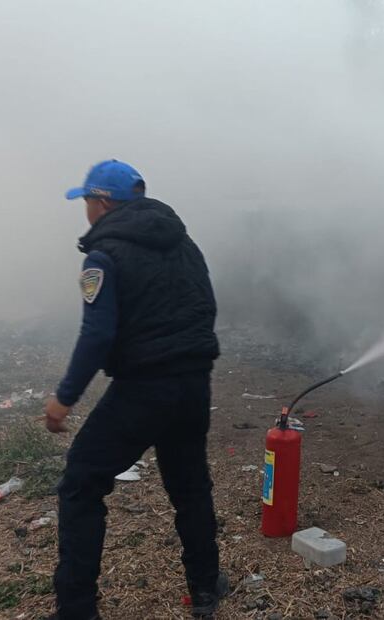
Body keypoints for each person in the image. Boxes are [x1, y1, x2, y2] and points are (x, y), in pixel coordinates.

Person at [43, 160, 227, 619]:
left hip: (144, 388)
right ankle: (206, 586)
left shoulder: (104, 256)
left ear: (102, 202)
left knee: (81, 484)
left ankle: (76, 609)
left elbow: (97, 335)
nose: (85, 209)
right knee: (189, 485)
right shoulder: (184, 244)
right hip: (193, 384)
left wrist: (64, 398)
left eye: (86, 200)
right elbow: (206, 305)